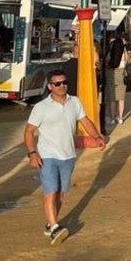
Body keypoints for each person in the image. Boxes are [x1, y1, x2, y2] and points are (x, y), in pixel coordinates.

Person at [22, 69, 105, 245]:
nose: (62, 86)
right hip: (47, 155)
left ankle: (51, 223)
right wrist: (32, 153)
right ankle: (54, 227)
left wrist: (96, 137)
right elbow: (29, 132)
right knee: (50, 192)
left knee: (60, 194)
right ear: (50, 86)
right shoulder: (40, 107)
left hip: (68, 155)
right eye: (57, 84)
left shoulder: (75, 102)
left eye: (64, 82)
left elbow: (85, 121)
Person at [104, 30, 131, 125]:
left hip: (111, 73)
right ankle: (120, 118)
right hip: (121, 73)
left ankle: (112, 118)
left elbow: (106, 60)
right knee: (121, 98)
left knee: (112, 98)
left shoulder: (112, 48)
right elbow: (128, 61)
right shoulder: (124, 50)